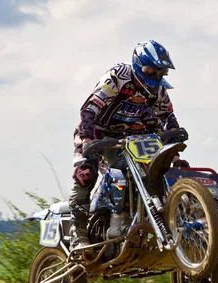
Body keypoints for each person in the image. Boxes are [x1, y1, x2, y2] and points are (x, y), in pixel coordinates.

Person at [69, 40, 189, 252]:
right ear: (138, 64)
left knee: (160, 167)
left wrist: (175, 138)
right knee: (85, 173)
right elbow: (89, 108)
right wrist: (87, 140)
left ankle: (173, 220)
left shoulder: (159, 89)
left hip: (132, 136)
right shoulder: (118, 76)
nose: (155, 75)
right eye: (151, 70)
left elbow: (168, 116)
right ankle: (78, 234)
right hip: (98, 132)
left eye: (160, 71)